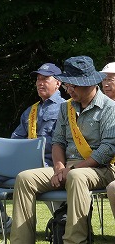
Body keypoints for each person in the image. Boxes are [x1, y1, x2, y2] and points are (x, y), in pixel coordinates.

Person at [10, 56, 115, 244]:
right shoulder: (66, 108)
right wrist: (59, 168)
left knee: (76, 177)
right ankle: (21, 241)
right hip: (67, 167)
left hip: (101, 168)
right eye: (68, 85)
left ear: (89, 83)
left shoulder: (110, 108)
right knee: (24, 179)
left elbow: (107, 150)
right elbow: (58, 142)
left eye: (73, 85)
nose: (69, 89)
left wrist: (72, 170)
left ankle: (73, 241)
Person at [0, 63, 65, 235]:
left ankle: (61, 220)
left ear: (58, 83)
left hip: (48, 163)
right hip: (23, 163)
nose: (40, 83)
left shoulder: (66, 107)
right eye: (38, 79)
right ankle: (1, 220)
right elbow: (14, 140)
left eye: (45, 79)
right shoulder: (30, 111)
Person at [100, 62, 115, 218]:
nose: (106, 84)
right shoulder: (98, 108)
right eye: (104, 80)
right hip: (101, 163)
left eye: (110, 79)